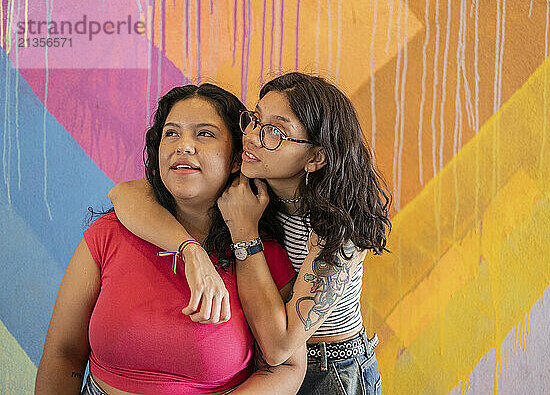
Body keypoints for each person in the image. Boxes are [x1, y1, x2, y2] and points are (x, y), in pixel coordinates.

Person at [109, 72, 391, 395]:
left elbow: (279, 345)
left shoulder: (338, 230)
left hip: (330, 373)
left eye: (274, 132)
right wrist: (190, 250)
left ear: (315, 157)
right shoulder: (252, 182)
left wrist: (244, 232)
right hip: (263, 370)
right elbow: (125, 195)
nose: (254, 137)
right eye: (255, 120)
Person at [35, 84, 306, 395]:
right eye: (171, 133)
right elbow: (63, 355)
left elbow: (285, 368)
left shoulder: (256, 252)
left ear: (236, 159)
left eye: (204, 134)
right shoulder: (108, 234)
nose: (183, 146)